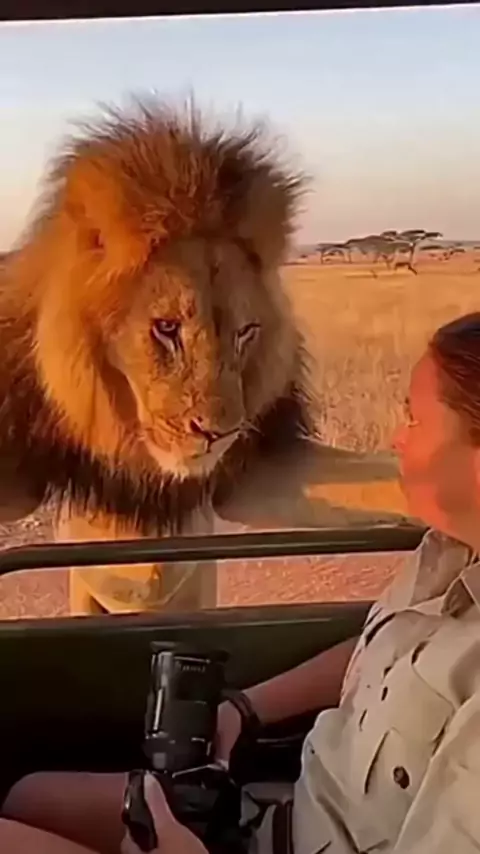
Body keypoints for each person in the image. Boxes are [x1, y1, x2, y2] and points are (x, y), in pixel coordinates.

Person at [4, 310, 480, 854]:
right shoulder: (447, 551)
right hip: (287, 815)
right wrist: (243, 708)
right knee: (29, 797)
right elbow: (384, 648)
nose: (395, 439)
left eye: (415, 421)